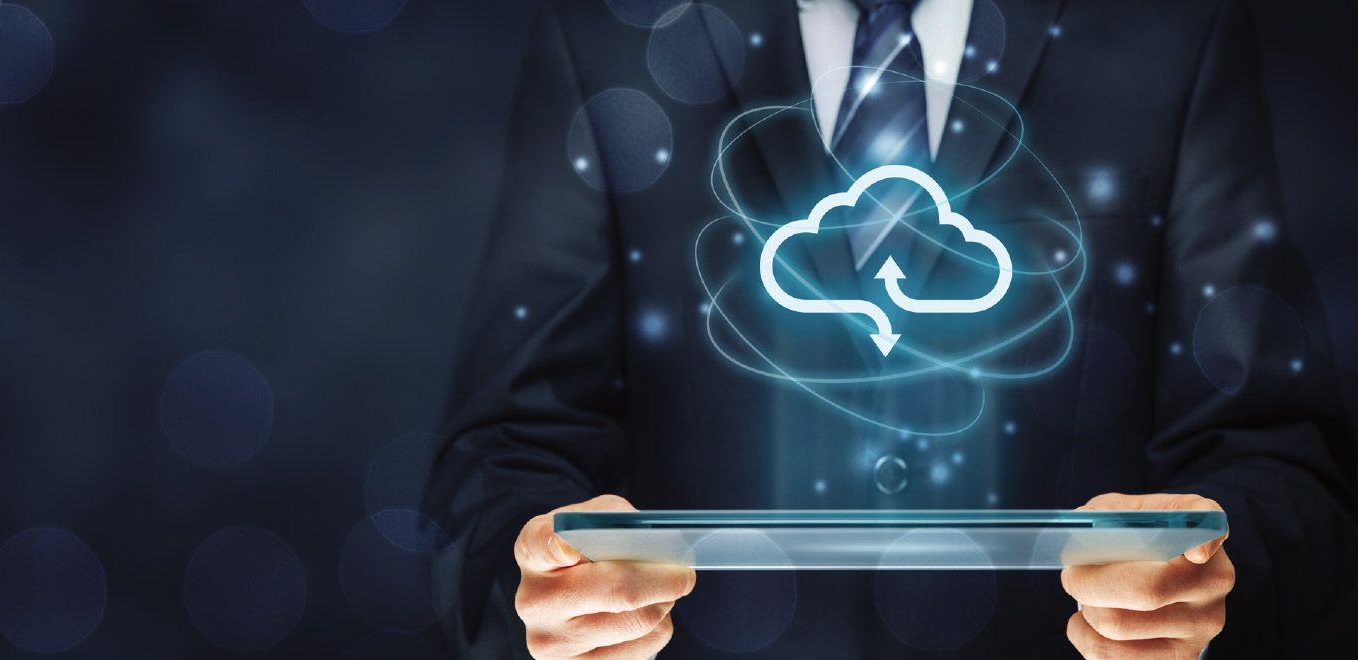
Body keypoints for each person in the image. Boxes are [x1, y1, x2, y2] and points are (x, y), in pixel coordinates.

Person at [423, 0, 1357, 657]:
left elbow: (1280, 453)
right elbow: (502, 451)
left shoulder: (1170, 28)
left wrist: (1216, 570)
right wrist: (533, 584)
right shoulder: (610, 34)